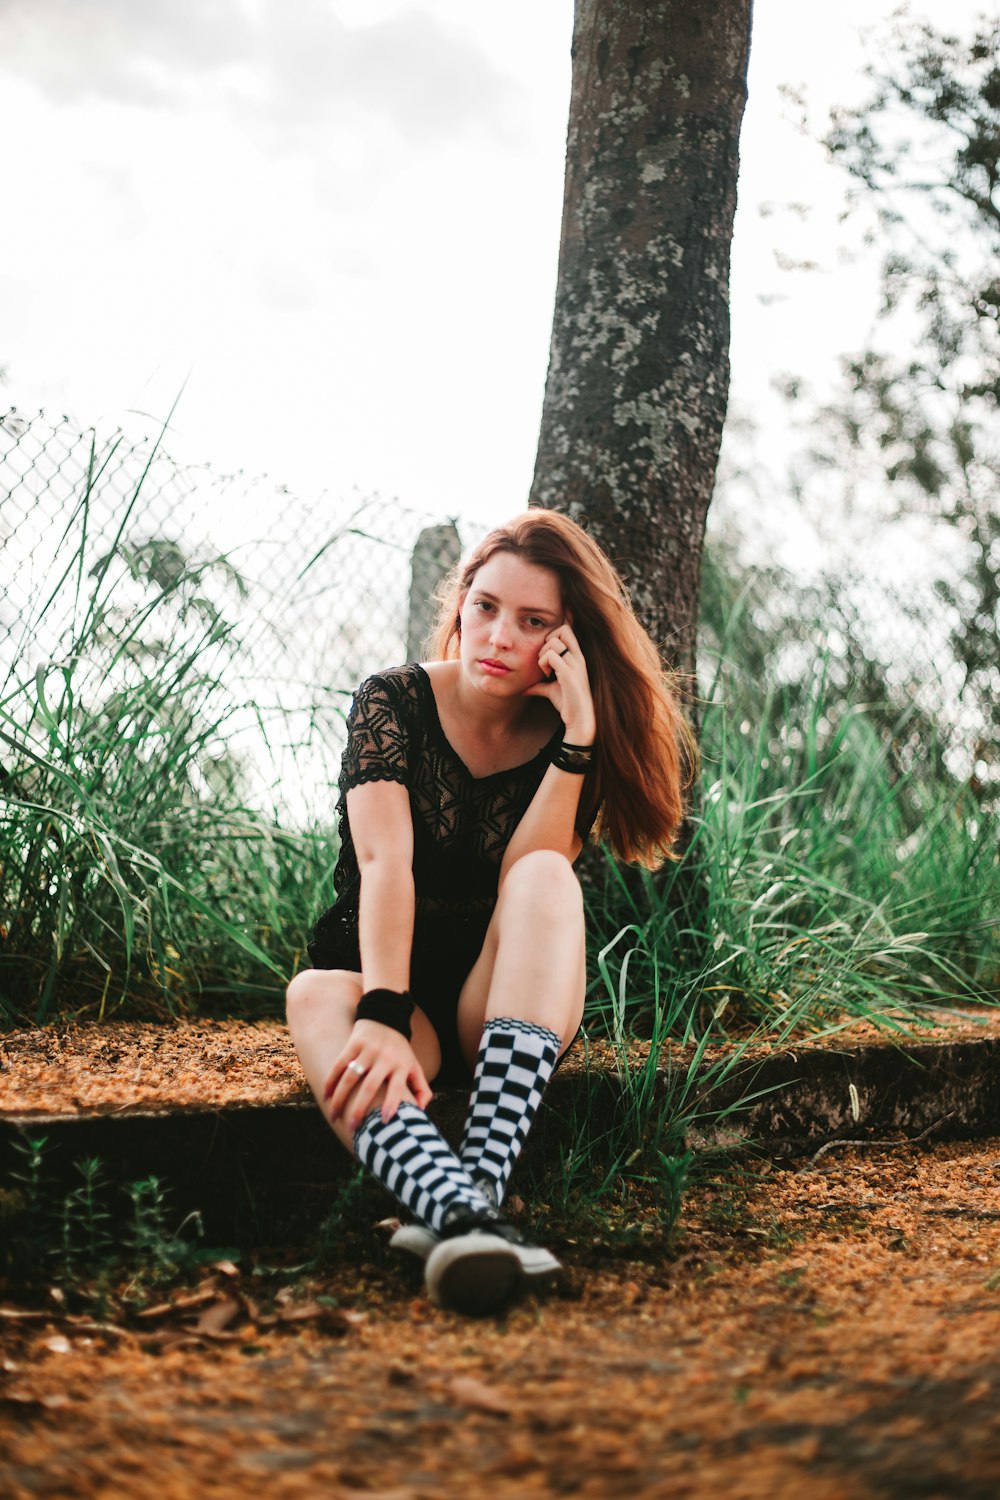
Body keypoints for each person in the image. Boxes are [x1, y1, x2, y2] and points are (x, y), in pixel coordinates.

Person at [286, 509, 692, 1316]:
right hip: (388, 977)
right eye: (485, 606)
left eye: (533, 621)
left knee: (548, 876)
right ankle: (471, 1215)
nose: (499, 635)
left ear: (566, 639)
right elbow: (383, 862)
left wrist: (578, 734)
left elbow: (523, 877)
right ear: (462, 603)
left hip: (498, 999)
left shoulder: (567, 734)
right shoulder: (391, 701)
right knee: (311, 995)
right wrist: (381, 1009)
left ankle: (460, 1200)